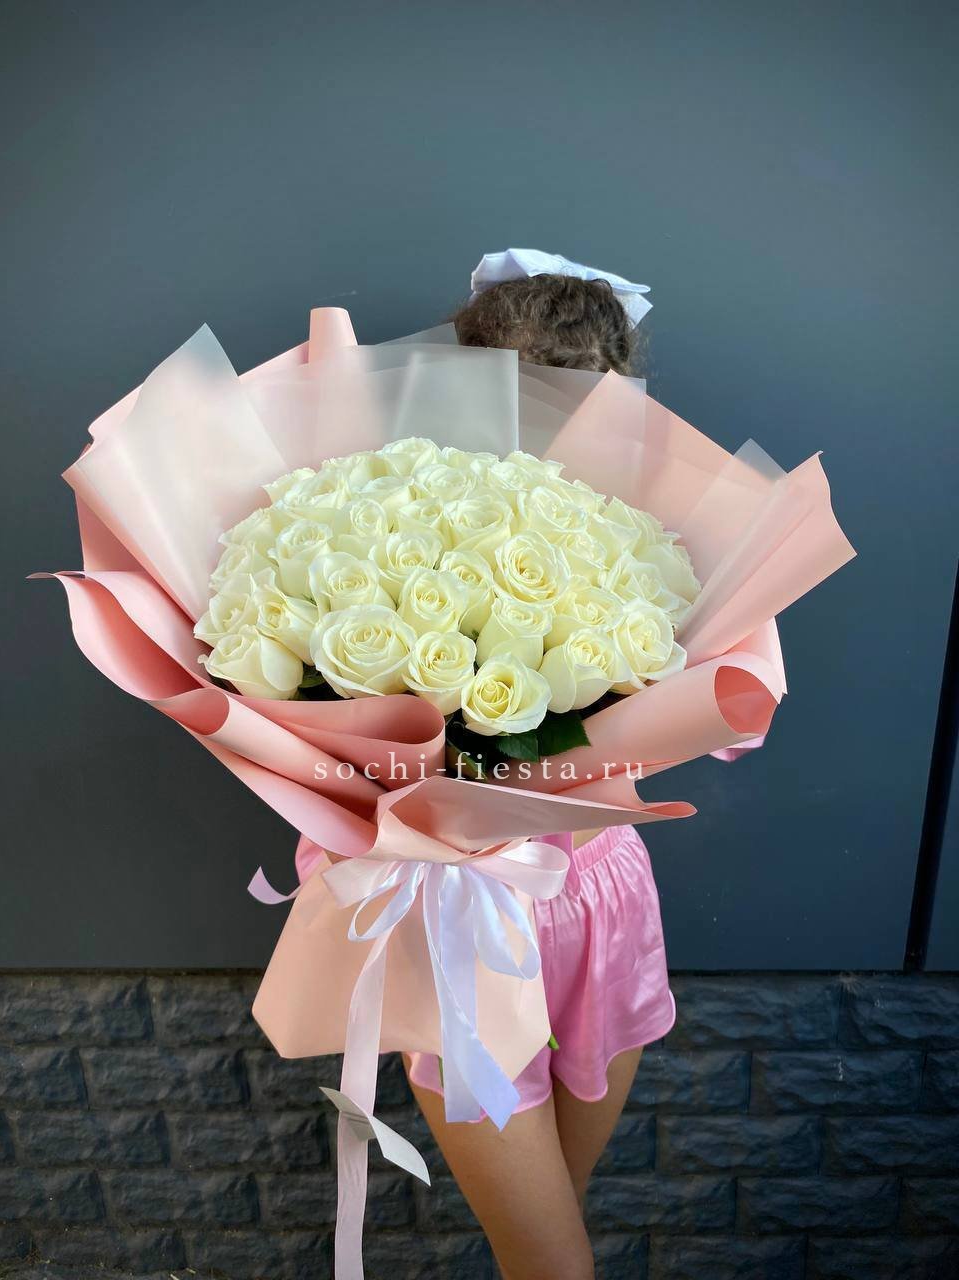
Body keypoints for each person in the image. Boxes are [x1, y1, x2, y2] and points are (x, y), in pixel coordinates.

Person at [401, 253, 677, 1280]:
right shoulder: (395, 527)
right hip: (466, 915)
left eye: (572, 403)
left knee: (552, 1235)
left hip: (603, 903)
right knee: (553, 1259)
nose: (542, 431)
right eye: (518, 397)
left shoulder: (654, 538)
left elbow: (728, 722)